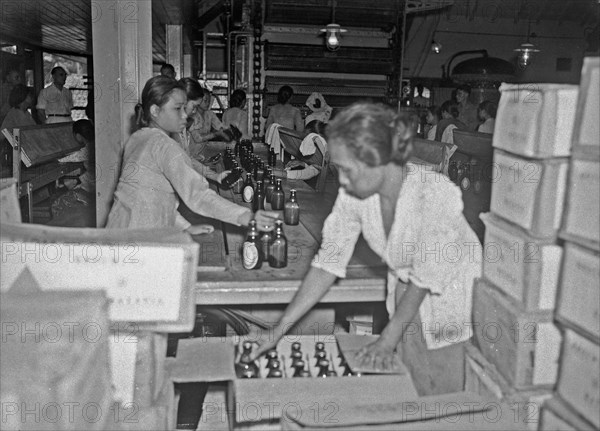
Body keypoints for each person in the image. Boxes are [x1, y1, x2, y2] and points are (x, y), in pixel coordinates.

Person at [252, 102, 481, 396]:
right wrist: (278, 329)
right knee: (409, 386)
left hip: (451, 297)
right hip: (407, 292)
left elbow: (425, 277)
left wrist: (387, 338)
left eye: (347, 170)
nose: (342, 181)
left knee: (443, 397)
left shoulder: (433, 193)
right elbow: (327, 263)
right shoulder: (356, 194)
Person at [105, 76, 279, 233]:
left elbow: (151, 197)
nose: (184, 116)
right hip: (142, 238)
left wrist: (185, 226)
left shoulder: (136, 138)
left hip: (118, 229)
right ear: (155, 111)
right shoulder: (165, 146)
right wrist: (246, 216)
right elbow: (198, 195)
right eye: (177, 109)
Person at [176, 77, 230, 182]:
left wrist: (215, 176)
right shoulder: (171, 130)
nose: (194, 111)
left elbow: (188, 159)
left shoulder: (182, 128)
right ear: (183, 102)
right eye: (194, 106)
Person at [187, 86, 232, 158]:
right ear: (198, 100)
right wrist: (216, 134)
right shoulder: (193, 116)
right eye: (205, 100)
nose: (208, 103)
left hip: (202, 153)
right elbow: (197, 138)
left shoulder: (210, 114)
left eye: (209, 100)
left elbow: (220, 126)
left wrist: (229, 131)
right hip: (190, 154)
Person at [0, 84, 36, 170]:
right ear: (22, 97)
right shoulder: (15, 113)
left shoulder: (26, 113)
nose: (32, 98)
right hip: (16, 154)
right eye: (29, 96)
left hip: (25, 151)